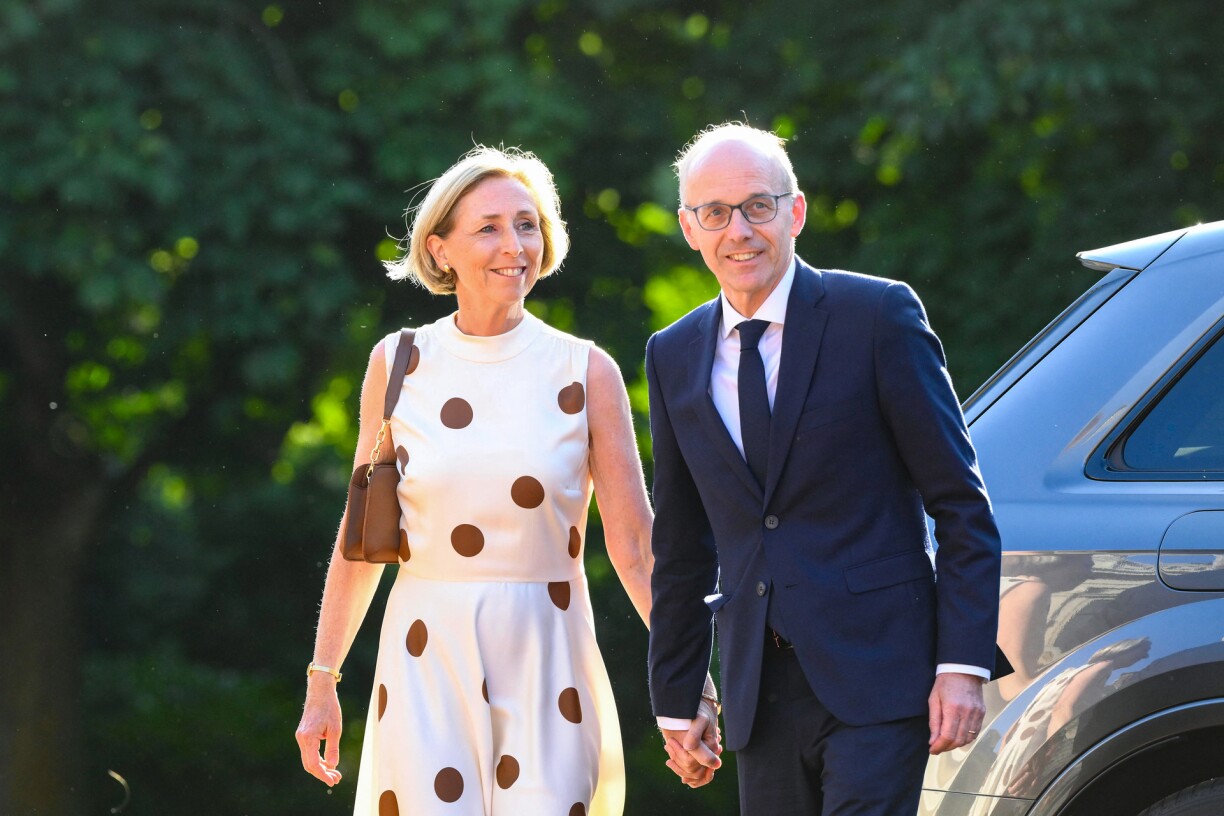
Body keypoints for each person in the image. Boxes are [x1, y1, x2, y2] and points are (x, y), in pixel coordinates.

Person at [294, 146, 706, 815]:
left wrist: (693, 684)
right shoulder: (397, 364)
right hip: (426, 655)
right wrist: (322, 682)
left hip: (548, 656)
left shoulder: (586, 372)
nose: (514, 244)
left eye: (528, 223)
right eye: (488, 227)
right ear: (440, 249)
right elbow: (362, 540)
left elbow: (635, 549)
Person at [645, 123, 1005, 815]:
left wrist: (961, 666)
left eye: (758, 206)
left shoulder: (876, 315)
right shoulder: (673, 354)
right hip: (758, 689)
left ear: (795, 211)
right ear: (690, 228)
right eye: (715, 213)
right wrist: (678, 694)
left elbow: (962, 504)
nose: (739, 231)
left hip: (881, 675)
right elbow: (682, 546)